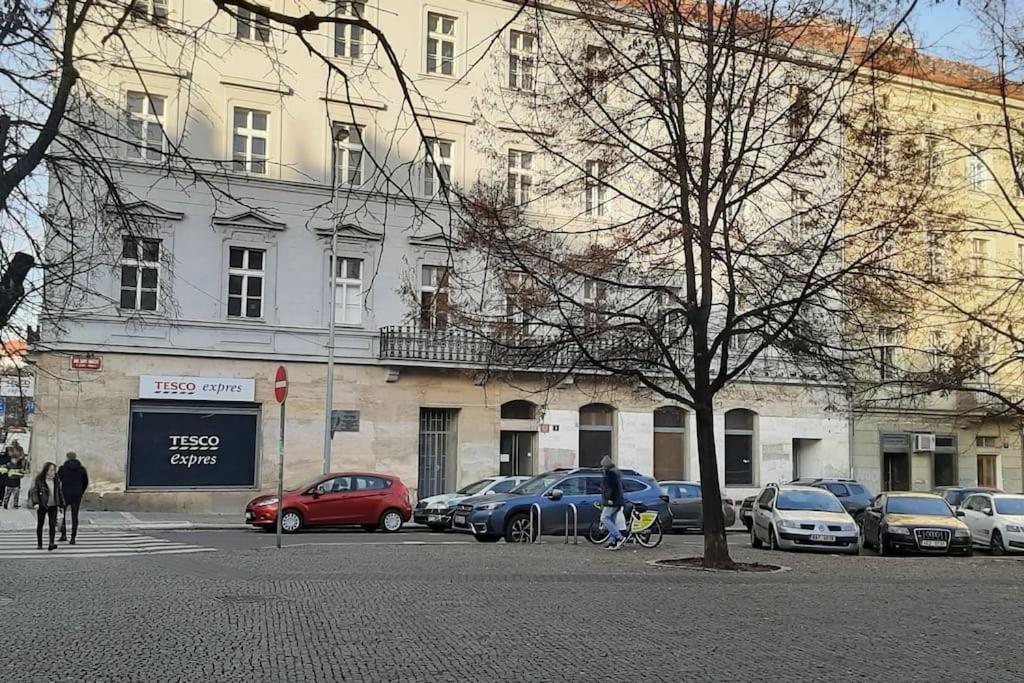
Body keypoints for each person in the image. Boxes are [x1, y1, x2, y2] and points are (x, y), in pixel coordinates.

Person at [29, 462, 65, 551]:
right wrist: (36, 503)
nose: (53, 472)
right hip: (42, 505)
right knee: (40, 524)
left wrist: (61, 504)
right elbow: (34, 492)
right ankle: (39, 543)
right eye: (51, 470)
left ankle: (51, 543)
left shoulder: (56, 479)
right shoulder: (40, 480)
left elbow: (59, 492)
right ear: (46, 470)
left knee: (52, 524)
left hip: (53, 505)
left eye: (54, 470)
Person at [57, 451, 89, 544]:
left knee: (62, 515)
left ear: (67, 457)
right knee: (75, 516)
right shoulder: (82, 469)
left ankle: (63, 534)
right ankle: (73, 538)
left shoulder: (62, 469)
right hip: (77, 495)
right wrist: (81, 492)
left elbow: (58, 481)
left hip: (65, 494)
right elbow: (85, 482)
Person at [600, 455, 625, 550]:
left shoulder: (610, 474)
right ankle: (612, 542)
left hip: (612, 501)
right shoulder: (615, 472)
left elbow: (611, 488)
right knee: (612, 520)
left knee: (604, 518)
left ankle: (618, 537)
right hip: (618, 501)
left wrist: (609, 498)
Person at [2, 444, 28, 509]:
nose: (14, 460)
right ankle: (5, 503)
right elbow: (4, 469)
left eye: (15, 459)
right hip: (9, 482)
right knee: (7, 494)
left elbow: (22, 472)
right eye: (13, 459)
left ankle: (15, 504)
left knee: (16, 494)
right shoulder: (8, 465)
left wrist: (23, 472)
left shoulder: (19, 466)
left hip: (16, 483)